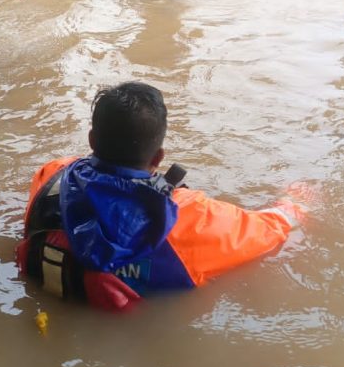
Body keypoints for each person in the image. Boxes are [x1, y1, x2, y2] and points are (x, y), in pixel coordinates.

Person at [16, 82, 301, 311]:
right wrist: (298, 200)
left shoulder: (51, 174)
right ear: (159, 157)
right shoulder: (191, 217)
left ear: (92, 139)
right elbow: (273, 229)